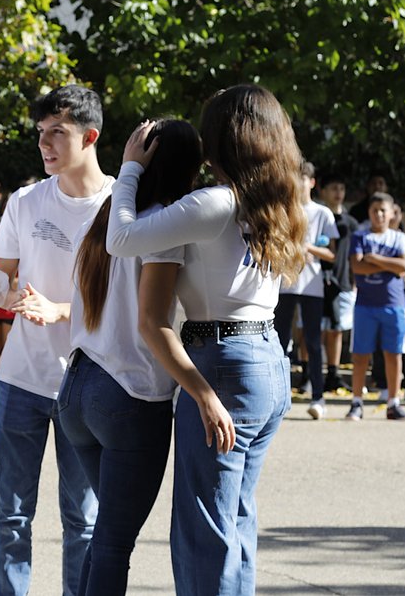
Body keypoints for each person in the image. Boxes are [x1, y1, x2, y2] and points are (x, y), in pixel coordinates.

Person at [107, 84, 306, 595]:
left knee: (205, 532)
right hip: (266, 358)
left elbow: (122, 238)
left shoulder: (215, 202)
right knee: (236, 524)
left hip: (222, 360)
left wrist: (130, 168)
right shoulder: (277, 200)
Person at [60, 118, 233, 595]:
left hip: (77, 390)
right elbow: (151, 322)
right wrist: (203, 393)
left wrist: (129, 169)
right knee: (114, 542)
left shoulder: (107, 217)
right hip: (129, 395)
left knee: (106, 534)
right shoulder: (164, 226)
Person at [0, 85, 106, 596]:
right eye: (40, 133)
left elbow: (130, 303)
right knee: (12, 518)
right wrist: (6, 292)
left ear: (89, 136)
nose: (45, 143)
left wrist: (60, 310)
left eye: (56, 132)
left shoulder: (118, 207)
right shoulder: (25, 200)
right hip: (19, 380)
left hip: (86, 382)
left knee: (82, 521)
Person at [273, 161, 337, 419]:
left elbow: (331, 253)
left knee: (312, 341)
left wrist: (306, 248)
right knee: (280, 340)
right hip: (285, 284)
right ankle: (279, 396)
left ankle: (318, 397)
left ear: (311, 182)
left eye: (302, 179)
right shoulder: (283, 209)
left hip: (312, 285)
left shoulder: (322, 213)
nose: (297, 184)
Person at [346, 192, 405, 422]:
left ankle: (393, 402)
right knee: (360, 355)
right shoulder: (359, 236)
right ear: (369, 213)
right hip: (365, 305)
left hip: (394, 305)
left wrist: (373, 258)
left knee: (393, 354)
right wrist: (388, 265)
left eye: (384, 210)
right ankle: (356, 402)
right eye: (375, 211)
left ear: (392, 212)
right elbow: (357, 267)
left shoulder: (399, 238)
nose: (379, 215)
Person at [317, 172, 358, 393]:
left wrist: (353, 280)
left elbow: (354, 255)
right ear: (322, 192)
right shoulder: (317, 217)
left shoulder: (351, 223)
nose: (338, 193)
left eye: (341, 189)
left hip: (342, 282)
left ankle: (333, 372)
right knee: (311, 330)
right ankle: (311, 373)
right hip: (314, 281)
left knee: (336, 329)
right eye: (333, 188)